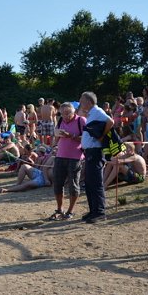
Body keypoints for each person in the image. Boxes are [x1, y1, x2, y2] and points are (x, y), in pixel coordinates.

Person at [80, 91, 114, 223]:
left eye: (82, 100)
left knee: (95, 182)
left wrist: (102, 136)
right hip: (90, 152)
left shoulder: (97, 111)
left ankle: (100, 212)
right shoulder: (91, 113)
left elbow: (110, 121)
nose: (81, 103)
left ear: (88, 101)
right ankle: (93, 210)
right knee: (89, 183)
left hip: (95, 152)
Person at [49, 102, 85, 220]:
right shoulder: (60, 121)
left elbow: (87, 139)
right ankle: (60, 209)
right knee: (57, 183)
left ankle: (70, 211)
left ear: (73, 111)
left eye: (68, 113)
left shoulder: (81, 121)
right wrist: (54, 145)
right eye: (62, 114)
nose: (65, 116)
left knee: (73, 184)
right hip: (60, 155)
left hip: (75, 157)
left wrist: (71, 136)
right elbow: (56, 137)